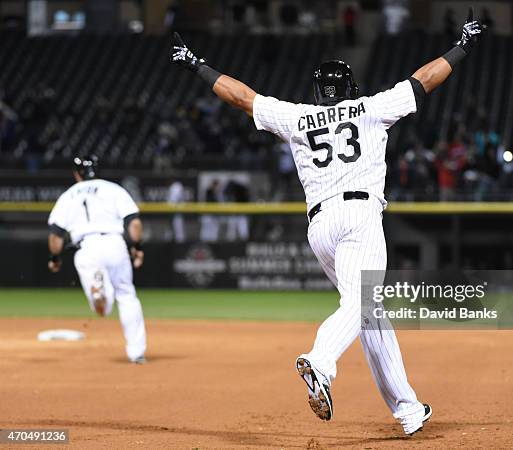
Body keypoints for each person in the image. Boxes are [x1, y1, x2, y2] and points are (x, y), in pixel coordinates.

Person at [171, 8, 484, 435]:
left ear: (317, 93)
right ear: (351, 88)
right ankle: (320, 360)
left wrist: (196, 65)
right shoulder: (371, 108)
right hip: (359, 215)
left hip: (320, 226)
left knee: (369, 311)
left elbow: (241, 96)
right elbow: (424, 79)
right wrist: (463, 46)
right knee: (359, 304)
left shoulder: (298, 118)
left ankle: (408, 409)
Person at [47, 155, 147, 364]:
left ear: (77, 174)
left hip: (86, 248)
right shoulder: (114, 189)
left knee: (102, 309)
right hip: (114, 243)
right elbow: (134, 223)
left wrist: (55, 258)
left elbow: (56, 235)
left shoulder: (69, 195)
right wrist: (137, 247)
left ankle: (98, 289)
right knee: (127, 295)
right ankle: (136, 353)